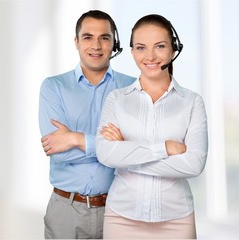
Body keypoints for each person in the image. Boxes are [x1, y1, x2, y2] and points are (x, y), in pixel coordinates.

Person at [96, 14, 208, 239]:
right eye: (140, 47)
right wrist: (165, 147)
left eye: (160, 46)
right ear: (132, 52)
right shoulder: (116, 99)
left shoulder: (192, 102)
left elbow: (194, 164)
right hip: (122, 217)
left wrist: (127, 151)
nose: (150, 56)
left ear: (173, 49)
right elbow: (106, 154)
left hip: (176, 219)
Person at [38, 10, 135, 239]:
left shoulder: (132, 88)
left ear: (114, 43)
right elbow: (58, 153)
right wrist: (114, 146)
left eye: (104, 37)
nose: (96, 45)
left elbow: (135, 152)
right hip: (66, 212)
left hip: (120, 210)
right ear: (76, 42)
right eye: (88, 37)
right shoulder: (53, 87)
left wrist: (75, 139)